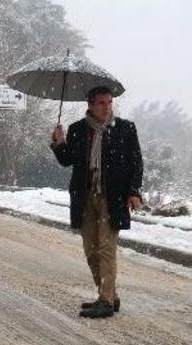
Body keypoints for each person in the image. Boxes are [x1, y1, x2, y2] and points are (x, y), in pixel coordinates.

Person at [51, 85, 143, 319]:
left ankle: (105, 300)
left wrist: (133, 191)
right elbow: (67, 160)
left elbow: (136, 163)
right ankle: (109, 295)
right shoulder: (78, 130)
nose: (106, 107)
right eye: (101, 103)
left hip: (112, 198)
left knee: (106, 249)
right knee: (91, 250)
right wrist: (59, 143)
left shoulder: (124, 129)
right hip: (85, 197)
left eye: (109, 102)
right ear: (90, 105)